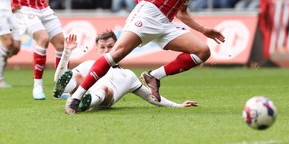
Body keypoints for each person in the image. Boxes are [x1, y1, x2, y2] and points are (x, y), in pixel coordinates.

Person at [66, 0, 225, 114]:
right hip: (149, 11)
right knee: (116, 55)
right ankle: (77, 97)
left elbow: (181, 13)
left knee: (202, 51)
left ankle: (153, 76)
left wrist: (204, 30)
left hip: (165, 23)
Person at [53, 31, 198, 113]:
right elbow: (58, 79)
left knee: (104, 88)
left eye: (110, 46)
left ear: (118, 47)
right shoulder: (89, 64)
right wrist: (67, 53)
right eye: (102, 47)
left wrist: (178, 105)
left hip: (105, 98)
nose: (106, 50)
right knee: (76, 76)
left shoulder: (128, 75)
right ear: (96, 49)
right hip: (81, 92)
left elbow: (150, 97)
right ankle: (74, 98)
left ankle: (84, 104)